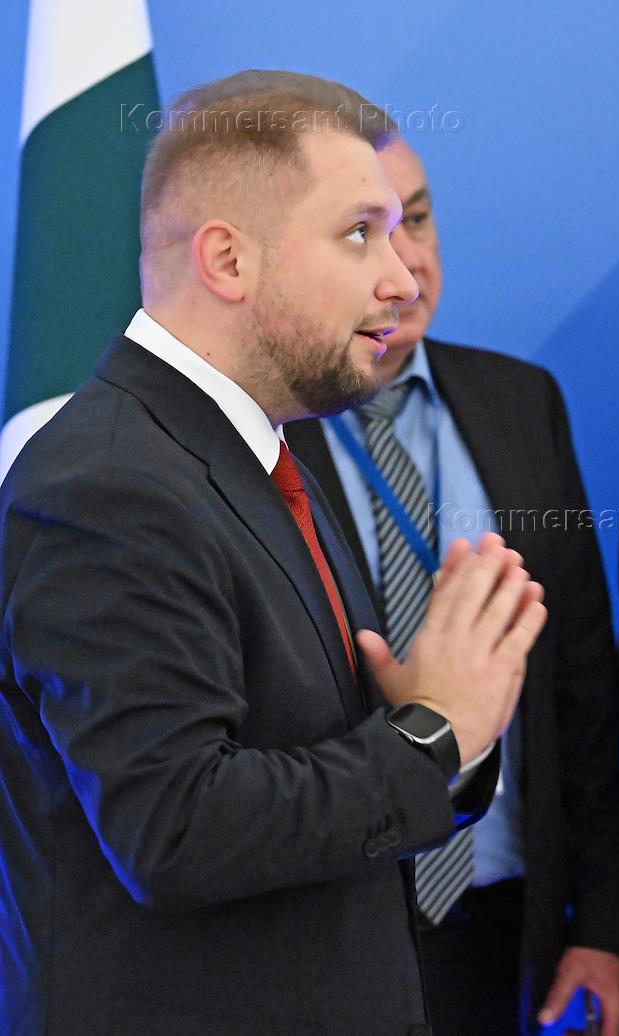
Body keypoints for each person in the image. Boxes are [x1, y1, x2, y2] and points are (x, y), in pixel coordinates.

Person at [0, 70, 549, 1034]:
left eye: (399, 232)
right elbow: (177, 829)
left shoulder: (256, 450)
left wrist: (433, 731)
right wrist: (433, 735)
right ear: (227, 260)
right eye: (359, 234)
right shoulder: (109, 485)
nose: (402, 279)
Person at [284, 133, 619, 1036]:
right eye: (364, 232)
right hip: (331, 913)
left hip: (506, 909)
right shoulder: (260, 429)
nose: (406, 261)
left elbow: (581, 685)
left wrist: (603, 924)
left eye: (418, 219)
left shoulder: (521, 401)